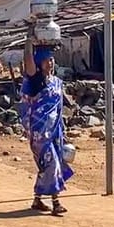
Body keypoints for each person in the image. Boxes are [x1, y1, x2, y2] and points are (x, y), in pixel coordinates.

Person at [19, 41, 73, 215]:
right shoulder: (35, 82)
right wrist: (28, 40)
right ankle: (56, 202)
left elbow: (58, 108)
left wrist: (62, 130)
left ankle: (37, 199)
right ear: (38, 64)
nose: (49, 63)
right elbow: (28, 60)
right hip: (39, 132)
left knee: (46, 166)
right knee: (52, 164)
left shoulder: (57, 82)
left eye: (51, 60)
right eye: (45, 61)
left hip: (55, 131)